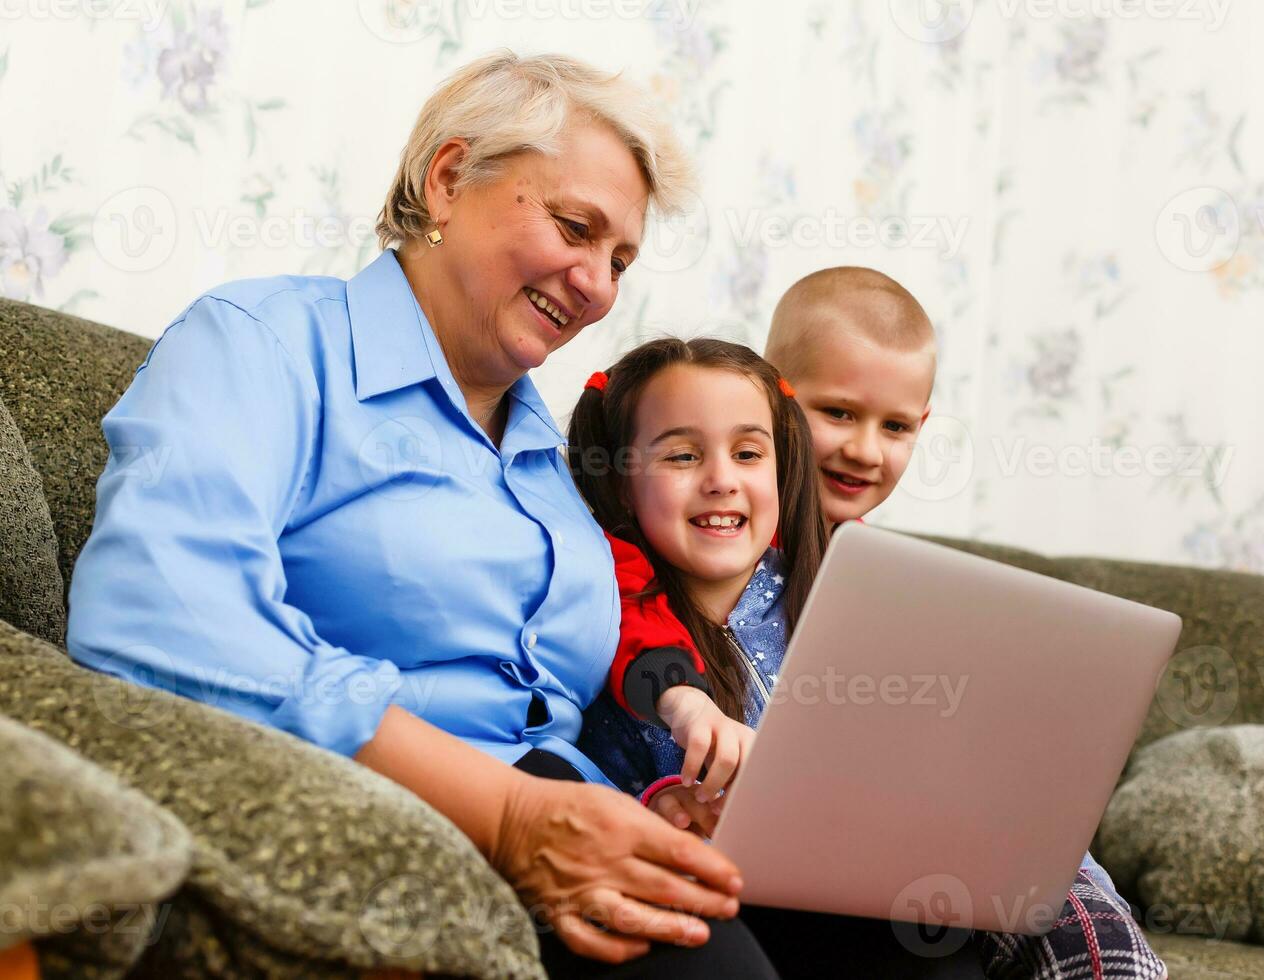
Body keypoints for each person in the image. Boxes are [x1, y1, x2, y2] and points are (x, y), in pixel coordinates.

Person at [66, 50, 781, 976]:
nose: (601, 286)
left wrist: (656, 794)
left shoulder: (551, 458)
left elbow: (563, 706)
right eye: (575, 227)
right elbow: (158, 611)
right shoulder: (264, 345)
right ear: (447, 180)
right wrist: (509, 812)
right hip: (385, 815)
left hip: (575, 807)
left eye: (621, 259)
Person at [578, 270, 1168, 979]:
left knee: (1040, 899)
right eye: (838, 413)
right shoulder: (612, 586)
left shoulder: (890, 596)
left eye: (893, 427)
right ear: (782, 401)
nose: (863, 449)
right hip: (751, 894)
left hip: (907, 883)